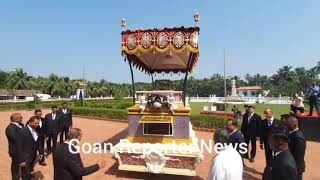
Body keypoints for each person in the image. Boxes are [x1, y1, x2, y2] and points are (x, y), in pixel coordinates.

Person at [5, 113, 24, 180]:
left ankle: (25, 175)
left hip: (22, 149)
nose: (22, 118)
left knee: (23, 162)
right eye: (20, 117)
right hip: (15, 150)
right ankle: (15, 177)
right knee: (15, 165)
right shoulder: (10, 128)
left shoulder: (21, 125)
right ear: (15, 119)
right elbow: (15, 139)